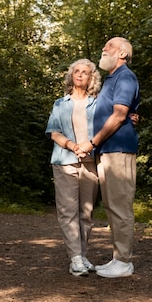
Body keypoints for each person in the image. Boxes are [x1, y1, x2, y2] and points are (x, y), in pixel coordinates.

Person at [77, 37, 140, 279]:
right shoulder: (113, 79)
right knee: (113, 206)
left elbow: (118, 115)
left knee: (121, 206)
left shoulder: (125, 76)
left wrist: (92, 143)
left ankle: (124, 262)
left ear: (122, 53)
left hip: (118, 151)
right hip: (108, 151)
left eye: (109, 46)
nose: (104, 48)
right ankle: (118, 259)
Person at [45, 58, 101, 277]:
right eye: (76, 71)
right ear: (71, 76)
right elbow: (53, 131)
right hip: (64, 161)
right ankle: (75, 258)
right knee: (68, 211)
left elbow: (109, 124)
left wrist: (132, 117)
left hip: (90, 162)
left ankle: (83, 255)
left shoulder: (98, 103)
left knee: (86, 212)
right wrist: (72, 145)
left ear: (91, 78)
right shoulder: (60, 103)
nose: (80, 74)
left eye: (85, 72)